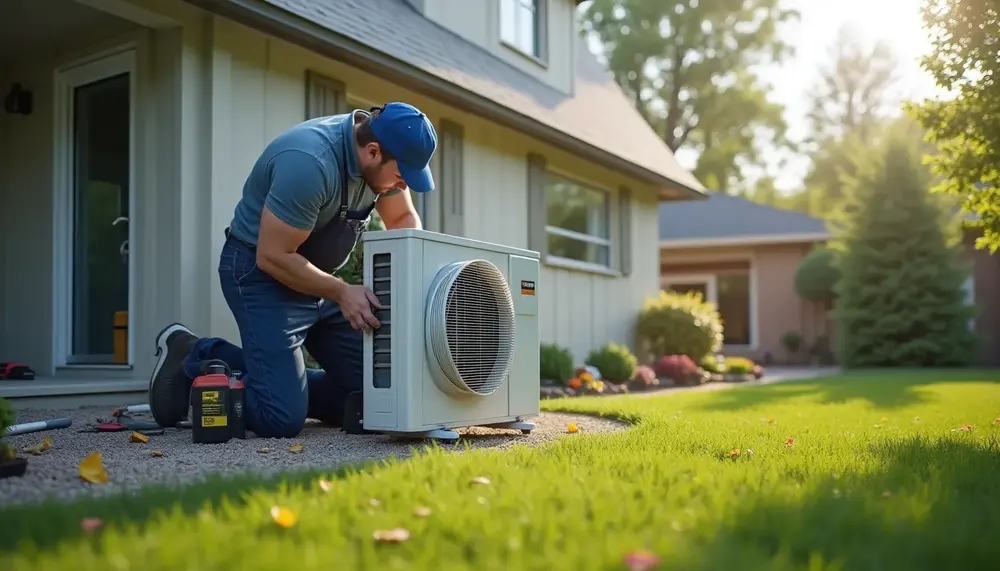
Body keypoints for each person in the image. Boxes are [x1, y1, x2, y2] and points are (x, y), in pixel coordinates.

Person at [146, 102, 437, 438]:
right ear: (372, 152)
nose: (402, 187)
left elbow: (402, 220)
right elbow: (272, 255)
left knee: (380, 392)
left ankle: (283, 384)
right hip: (260, 275)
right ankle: (195, 353)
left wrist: (404, 285)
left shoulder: (381, 162)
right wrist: (341, 292)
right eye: (401, 177)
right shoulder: (310, 163)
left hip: (316, 281)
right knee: (280, 419)